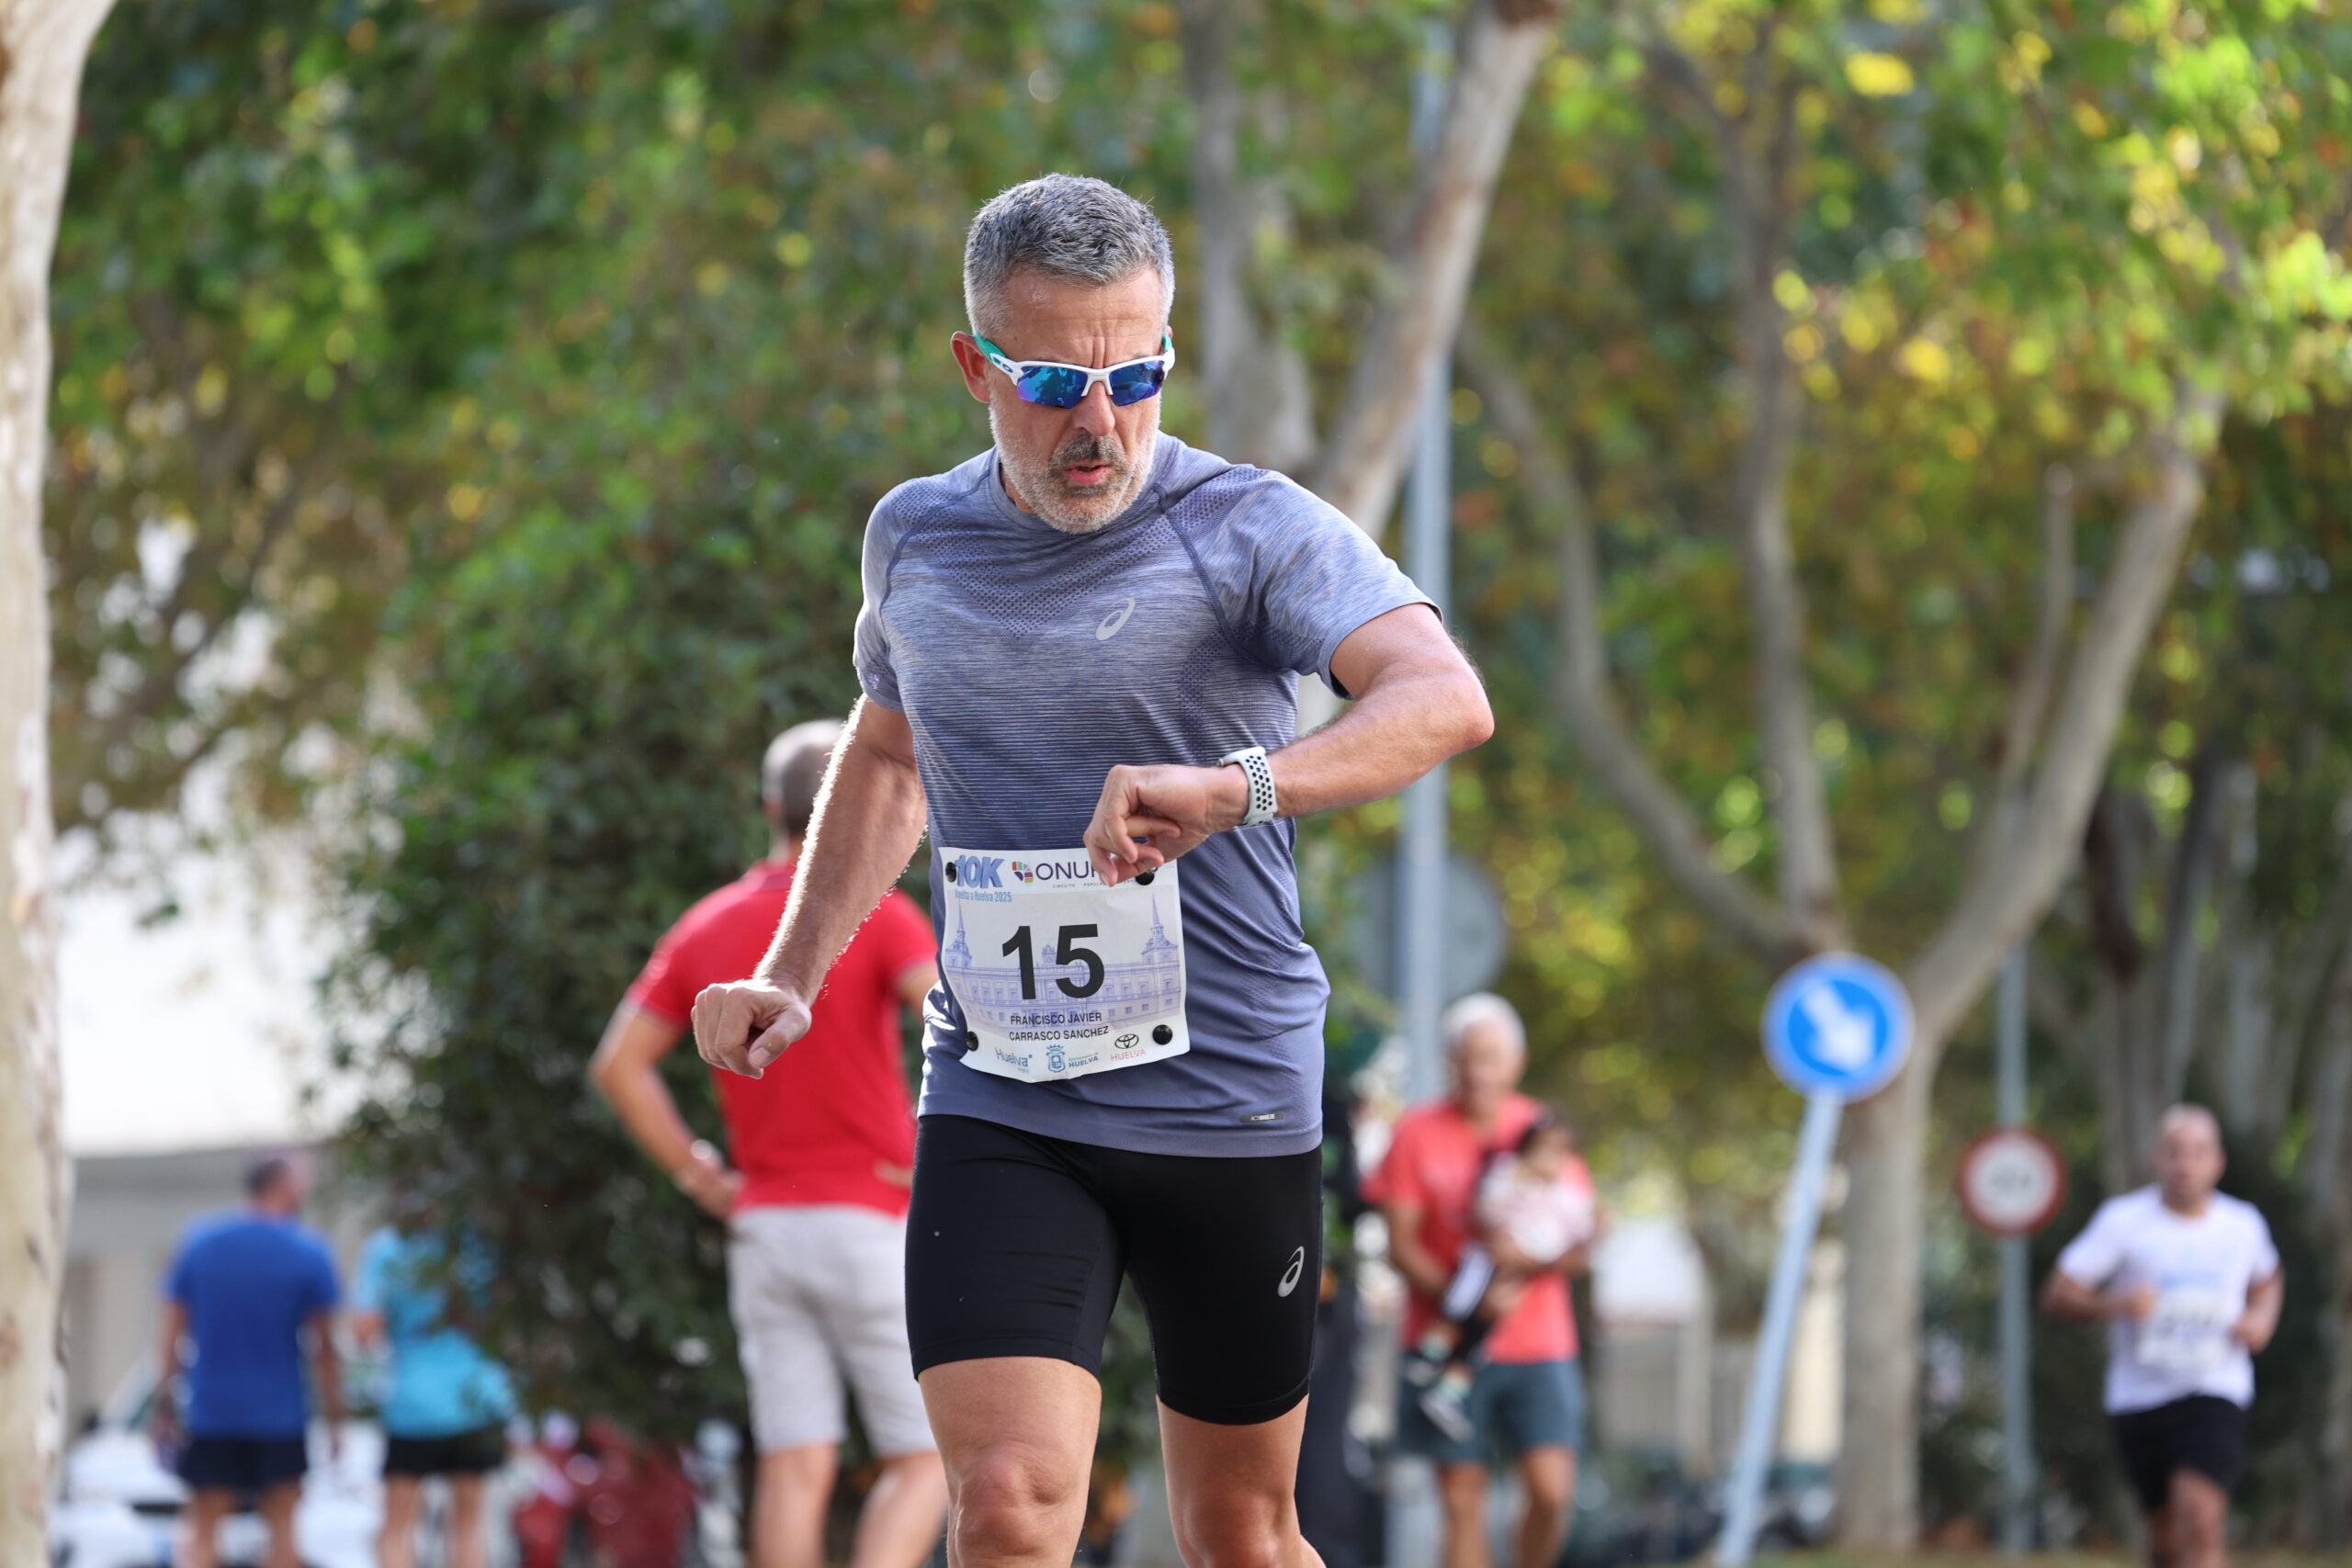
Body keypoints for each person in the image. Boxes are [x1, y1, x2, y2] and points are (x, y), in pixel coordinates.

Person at [689, 174, 1491, 1568]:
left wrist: (1237, 787)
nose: (1101, 422)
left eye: (1139, 375)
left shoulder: (1250, 527)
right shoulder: (915, 536)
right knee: (1006, 1502)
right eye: (1057, 381)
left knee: (1240, 1530)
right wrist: (791, 971)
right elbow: (887, 759)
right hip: (1006, 1086)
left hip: (1230, 1090)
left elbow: (1442, 699)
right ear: (976, 366)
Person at [591, 717, 947, 1568]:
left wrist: (699, 1175)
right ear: (855, 799)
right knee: (924, 1458)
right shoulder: (880, 916)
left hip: (766, 1227)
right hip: (868, 1217)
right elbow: (958, 1020)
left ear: (767, 808)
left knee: (793, 1464)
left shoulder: (706, 923)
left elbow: (619, 1065)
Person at [1367, 996, 1595, 1568]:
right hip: (1443, 1343)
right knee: (1461, 1501)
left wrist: (1530, 1258)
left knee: (1552, 1493)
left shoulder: (1546, 1132)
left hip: (1540, 1345)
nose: (1478, 1072)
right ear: (1449, 1062)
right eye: (1465, 1058)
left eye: (1491, 1058)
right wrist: (1468, 1302)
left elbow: (1579, 1242)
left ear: (1517, 1061)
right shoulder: (1415, 1132)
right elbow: (1400, 1245)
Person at [2044, 1105, 2283, 1568]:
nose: (2185, 1164)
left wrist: (2261, 1319)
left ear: (2218, 1162)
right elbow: (2059, 1293)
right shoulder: (2123, 1221)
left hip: (2216, 1386)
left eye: (2198, 1152)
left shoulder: (2243, 1224)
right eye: (2174, 1152)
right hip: (2140, 1395)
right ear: (2156, 1158)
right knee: (2166, 1537)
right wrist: (2116, 1305)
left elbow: (2268, 1279)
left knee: (2202, 1516)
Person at [154, 1153, 343, 1568]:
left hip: (212, 1413)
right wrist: (335, 1418)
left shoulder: (200, 1243)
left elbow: (172, 1335)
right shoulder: (308, 1250)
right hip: (281, 1415)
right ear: (283, 1187)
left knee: (202, 1532)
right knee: (283, 1531)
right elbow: (325, 1348)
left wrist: (164, 1405)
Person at [1405, 1111, 1595, 1442]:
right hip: (1485, 1264)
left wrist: (1541, 1254)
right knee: (1461, 1305)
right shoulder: (1509, 1175)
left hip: (1515, 1279)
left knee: (1477, 1340)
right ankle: (1430, 1354)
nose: (1548, 1159)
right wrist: (1520, 1183)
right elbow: (1487, 1209)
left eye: (1558, 1152)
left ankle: (1446, 1394)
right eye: (1542, 1149)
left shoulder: (1566, 1194)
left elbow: (1580, 1238)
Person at [350, 1208, 518, 1568]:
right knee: (468, 1527)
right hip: (477, 1400)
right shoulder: (479, 1242)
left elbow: (364, 1331)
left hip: (415, 1404)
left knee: (397, 1528)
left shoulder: (389, 1248)